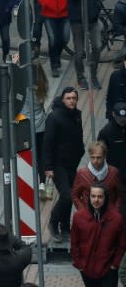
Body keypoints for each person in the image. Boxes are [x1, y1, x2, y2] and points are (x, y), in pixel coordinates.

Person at [44, 87, 84, 241]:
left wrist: (79, 153)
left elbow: (79, 137)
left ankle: (65, 228)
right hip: (57, 165)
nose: (72, 101)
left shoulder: (77, 116)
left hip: (71, 164)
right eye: (69, 98)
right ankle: (53, 223)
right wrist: (48, 166)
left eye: (74, 98)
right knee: (68, 196)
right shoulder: (54, 118)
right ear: (62, 99)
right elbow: (48, 143)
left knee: (71, 196)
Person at [71, 183, 126, 287]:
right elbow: (74, 243)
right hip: (87, 269)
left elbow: (122, 244)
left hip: (109, 270)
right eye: (93, 196)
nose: (96, 200)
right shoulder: (78, 217)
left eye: (100, 196)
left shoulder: (116, 218)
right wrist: (80, 264)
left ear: (105, 198)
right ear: (89, 197)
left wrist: (115, 264)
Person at [67, 0, 101, 90]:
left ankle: (93, 76)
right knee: (79, 52)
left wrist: (96, 9)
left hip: (92, 21)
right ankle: (81, 77)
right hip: (77, 22)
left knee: (97, 47)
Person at [72, 142, 122, 213]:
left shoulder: (114, 172)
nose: (95, 161)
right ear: (89, 156)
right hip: (89, 216)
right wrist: (83, 211)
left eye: (99, 157)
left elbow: (119, 195)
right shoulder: (81, 173)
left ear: (104, 156)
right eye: (93, 157)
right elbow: (75, 195)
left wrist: (116, 211)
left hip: (109, 216)